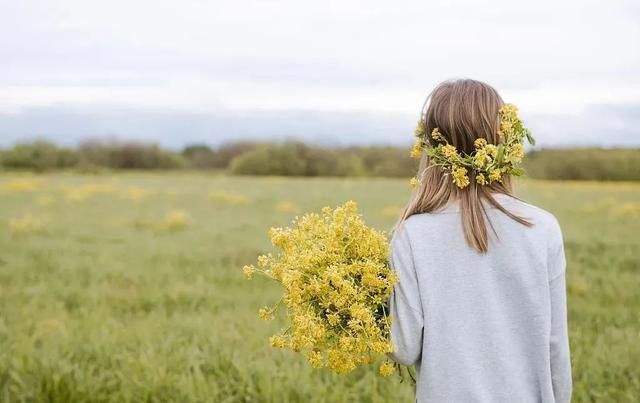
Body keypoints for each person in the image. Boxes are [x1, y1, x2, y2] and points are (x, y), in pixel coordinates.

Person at [389, 79, 572, 402]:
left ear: (433, 149)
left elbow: (403, 349)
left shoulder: (411, 235)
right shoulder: (543, 228)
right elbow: (555, 346)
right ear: (504, 141)